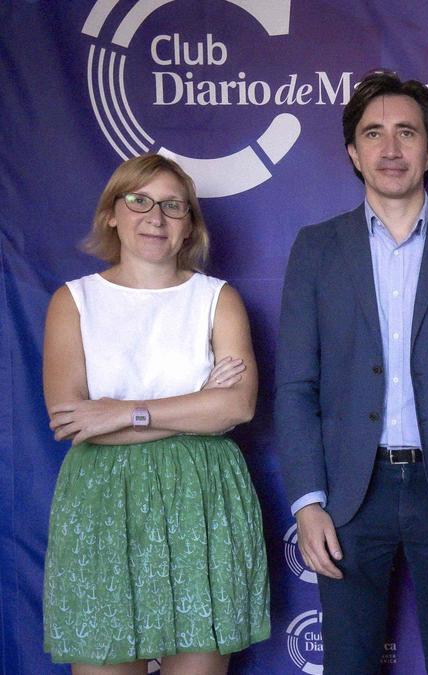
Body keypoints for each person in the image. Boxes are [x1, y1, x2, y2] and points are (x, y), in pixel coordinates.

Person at [275, 70, 428, 673]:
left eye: (406, 133)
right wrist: (308, 503)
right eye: (374, 134)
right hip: (348, 497)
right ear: (353, 154)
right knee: (349, 665)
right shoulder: (315, 248)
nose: (391, 148)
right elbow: (295, 388)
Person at [42, 154, 269, 673]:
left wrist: (121, 412)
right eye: (139, 200)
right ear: (111, 214)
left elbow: (236, 406)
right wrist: (194, 408)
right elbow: (74, 423)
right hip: (103, 501)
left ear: (189, 224)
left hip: (202, 499)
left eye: (173, 206)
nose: (156, 217)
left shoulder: (218, 299)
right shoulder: (73, 301)